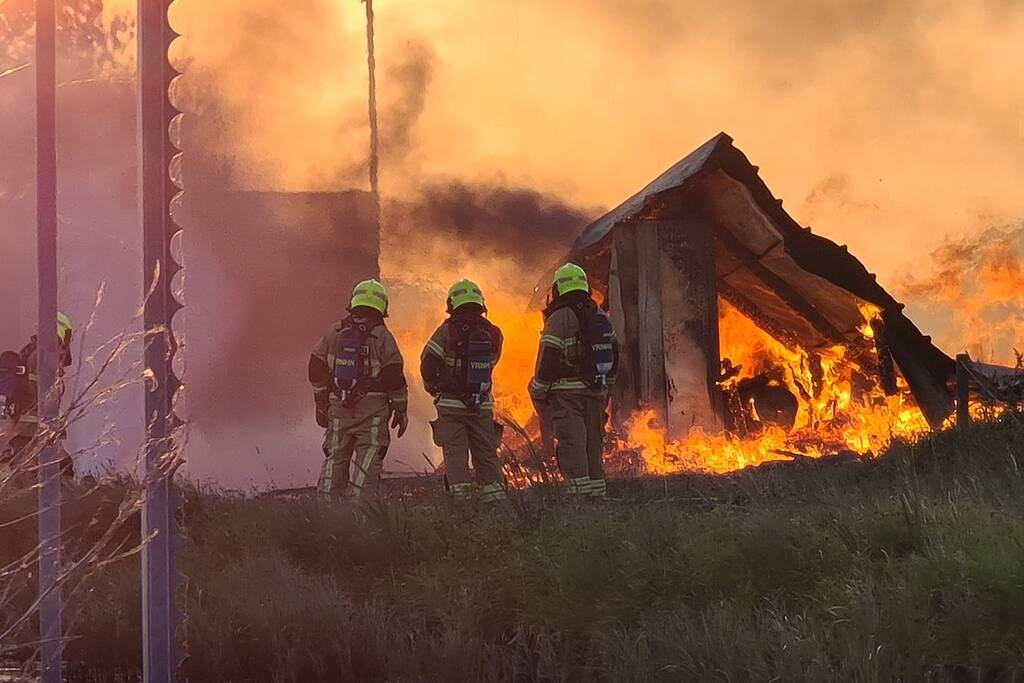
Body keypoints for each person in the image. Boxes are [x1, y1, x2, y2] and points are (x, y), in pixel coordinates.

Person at [308, 279, 408, 500]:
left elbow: (315, 367)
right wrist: (401, 408)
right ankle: (360, 510)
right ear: (382, 306)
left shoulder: (334, 331)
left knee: (335, 458)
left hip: (338, 409)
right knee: (368, 459)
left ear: (353, 302)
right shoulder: (382, 337)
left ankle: (327, 509)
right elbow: (394, 377)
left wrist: (321, 402)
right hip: (372, 413)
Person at [529, 263, 618, 497]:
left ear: (558, 289)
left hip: (567, 396)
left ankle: (580, 499)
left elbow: (548, 358)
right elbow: (614, 355)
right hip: (595, 393)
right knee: (593, 446)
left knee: (573, 446)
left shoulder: (559, 318)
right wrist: (606, 390)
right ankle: (598, 496)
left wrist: (538, 391)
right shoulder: (599, 314)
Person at [420, 279, 506, 503]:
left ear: (452, 303)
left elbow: (427, 364)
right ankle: (496, 502)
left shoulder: (446, 331)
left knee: (456, 455)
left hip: (451, 406)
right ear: (480, 303)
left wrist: (435, 388)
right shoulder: (494, 333)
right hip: (481, 405)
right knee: (486, 454)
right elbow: (492, 363)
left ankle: (463, 504)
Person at [1, 312, 75, 479]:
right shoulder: (45, 356)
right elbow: (48, 396)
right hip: (37, 430)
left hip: (26, 429)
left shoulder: (31, 352)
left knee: (26, 473)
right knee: (61, 472)